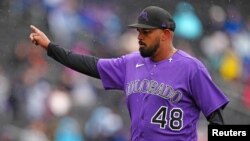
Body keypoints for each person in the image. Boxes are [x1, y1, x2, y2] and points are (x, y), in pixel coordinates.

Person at [29, 6, 229, 141]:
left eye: (147, 32)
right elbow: (90, 65)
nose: (140, 37)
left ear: (166, 34)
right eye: (139, 31)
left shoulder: (191, 68)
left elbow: (217, 119)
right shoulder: (131, 63)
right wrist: (50, 47)